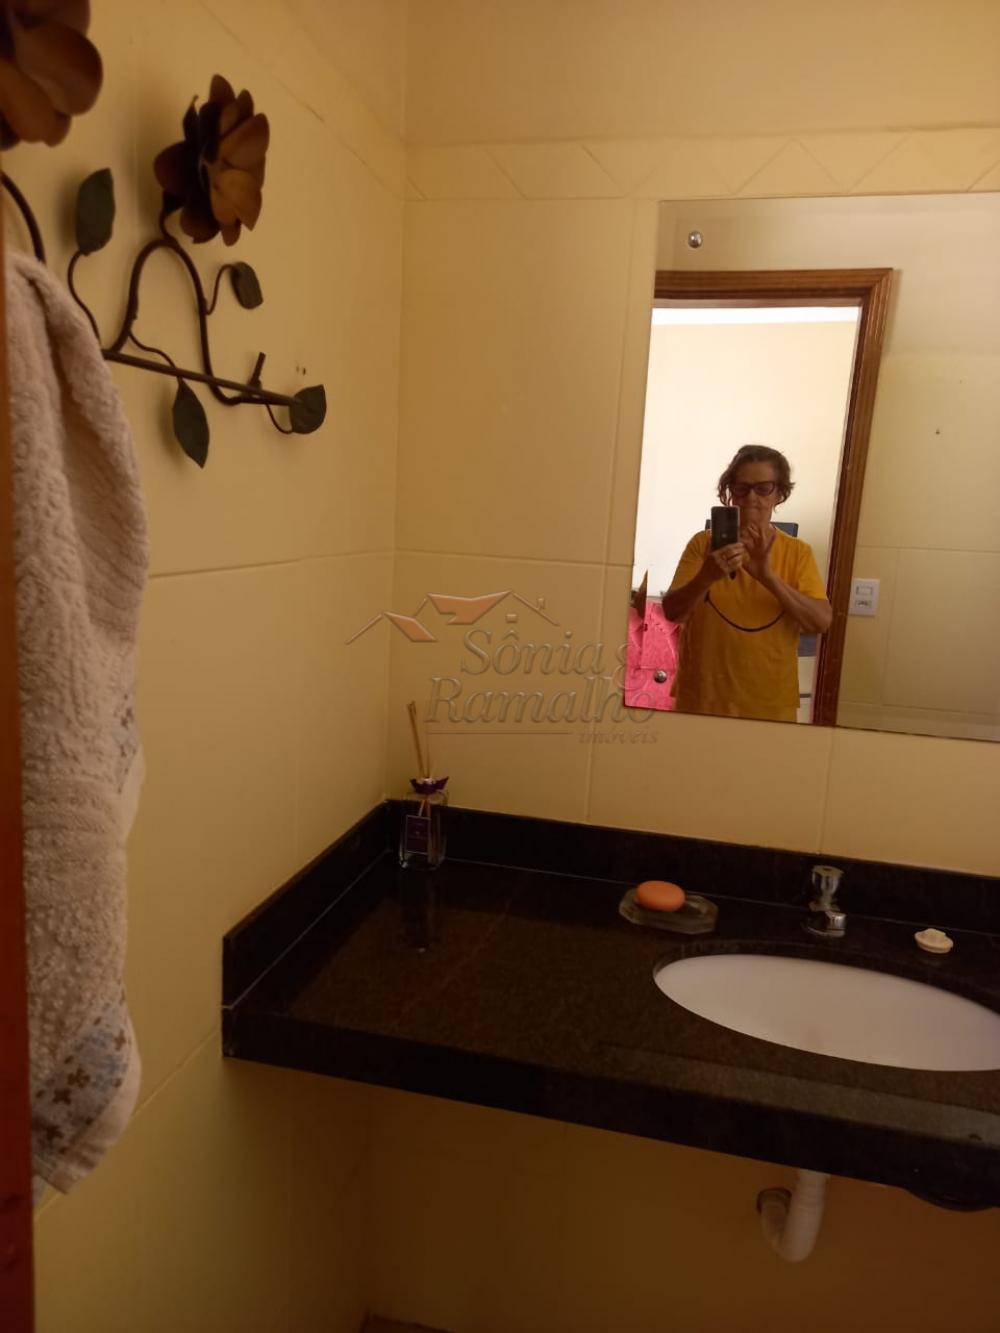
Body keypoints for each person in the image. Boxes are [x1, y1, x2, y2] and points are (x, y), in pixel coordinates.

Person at [661, 445, 833, 723]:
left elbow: (821, 622)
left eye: (763, 488)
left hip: (769, 706)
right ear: (730, 492)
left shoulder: (798, 552)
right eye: (741, 489)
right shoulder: (702, 545)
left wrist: (767, 576)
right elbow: (673, 612)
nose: (751, 498)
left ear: (780, 493)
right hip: (701, 700)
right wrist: (707, 575)